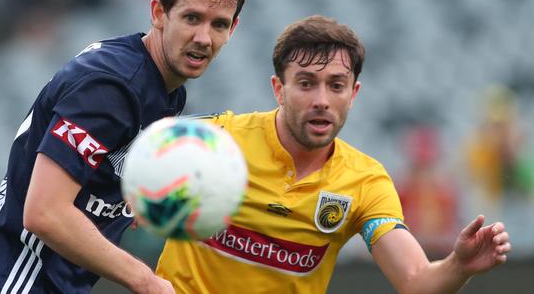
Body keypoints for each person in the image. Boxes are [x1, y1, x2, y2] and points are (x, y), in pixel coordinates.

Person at [0, 0, 251, 294]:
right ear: (159, 13)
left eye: (218, 24)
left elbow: (101, 174)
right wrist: (144, 280)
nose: (204, 37)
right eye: (192, 18)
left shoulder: (165, 90)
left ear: (232, 30)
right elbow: (44, 213)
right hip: (17, 281)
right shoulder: (111, 86)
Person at [156, 15, 511, 293]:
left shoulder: (364, 182)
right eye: (307, 83)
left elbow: (416, 280)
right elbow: (127, 162)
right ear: (279, 89)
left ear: (353, 93)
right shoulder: (216, 138)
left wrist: (458, 265)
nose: (322, 100)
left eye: (336, 85)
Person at [397, 124, 460, 259]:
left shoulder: (445, 193)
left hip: (440, 256)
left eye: (428, 166)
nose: (424, 173)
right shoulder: (401, 192)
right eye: (419, 166)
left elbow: (451, 233)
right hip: (409, 256)